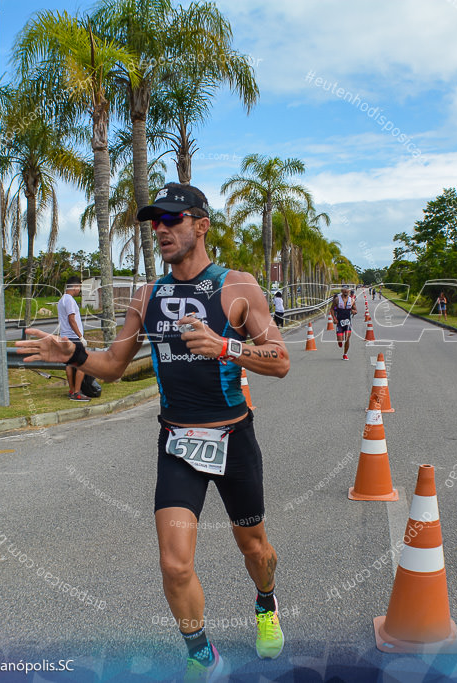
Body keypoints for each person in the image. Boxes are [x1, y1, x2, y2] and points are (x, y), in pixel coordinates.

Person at [17, 183, 290, 681]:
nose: (161, 229)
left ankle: (267, 604)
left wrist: (225, 347)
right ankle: (202, 658)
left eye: (172, 219)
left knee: (256, 550)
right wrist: (74, 354)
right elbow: (115, 365)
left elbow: (281, 361)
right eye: (155, 222)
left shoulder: (238, 286)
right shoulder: (148, 295)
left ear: (201, 225)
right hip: (178, 445)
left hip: (233, 442)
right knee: (175, 564)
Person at [57, 277, 90, 401]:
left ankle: (71, 390)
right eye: (79, 288)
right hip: (73, 337)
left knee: (69, 364)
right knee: (83, 364)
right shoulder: (70, 300)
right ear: (75, 287)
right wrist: (80, 337)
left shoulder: (62, 300)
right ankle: (77, 392)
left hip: (64, 336)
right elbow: (72, 319)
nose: (79, 291)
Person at [329, 285, 357, 360]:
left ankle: (345, 354)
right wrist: (334, 318)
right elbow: (332, 309)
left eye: (347, 290)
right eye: (344, 290)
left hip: (348, 322)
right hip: (339, 322)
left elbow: (355, 309)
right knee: (340, 339)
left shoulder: (352, 300)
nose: (346, 291)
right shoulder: (337, 299)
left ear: (349, 291)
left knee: (347, 338)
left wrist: (354, 311)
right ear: (341, 291)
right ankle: (339, 341)